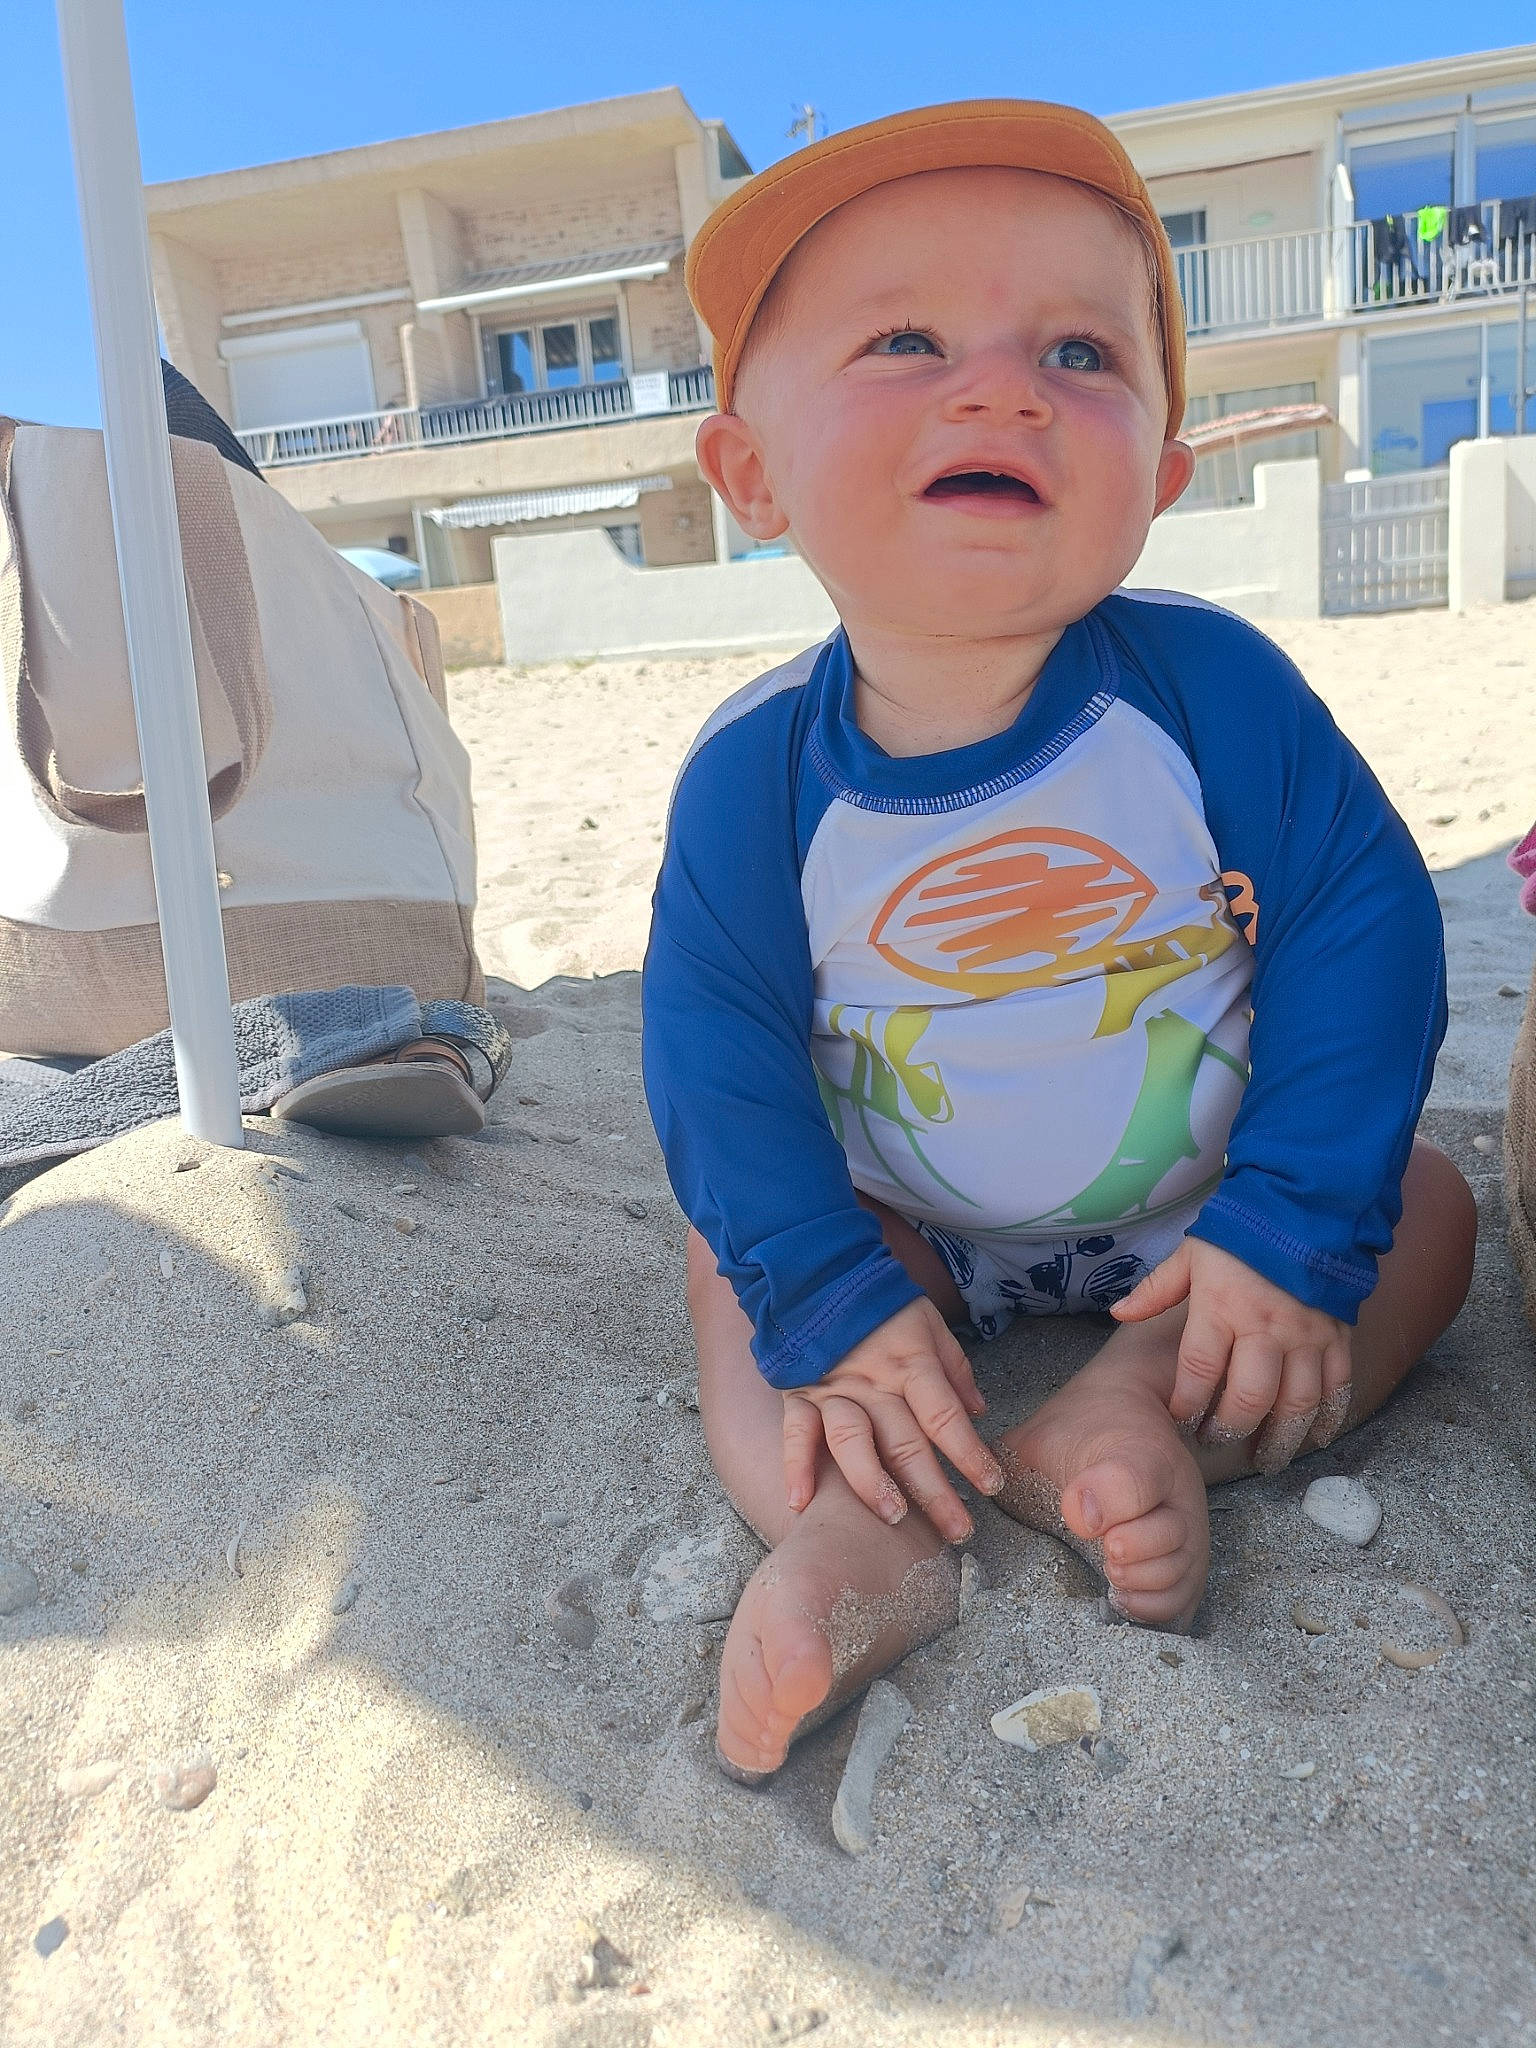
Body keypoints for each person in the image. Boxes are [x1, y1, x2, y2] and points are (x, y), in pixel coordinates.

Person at [641, 102, 1477, 1785]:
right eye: (907, 340)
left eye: (1081, 352)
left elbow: (1363, 922)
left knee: (1430, 1219)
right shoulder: (756, 779)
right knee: (734, 1267)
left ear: (1161, 473)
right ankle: (855, 1534)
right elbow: (713, 1057)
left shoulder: (1209, 697)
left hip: (1207, 1206)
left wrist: (1290, 1224)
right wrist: (824, 1295)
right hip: (913, 1222)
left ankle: (1137, 1403)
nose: (1002, 387)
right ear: (751, 475)